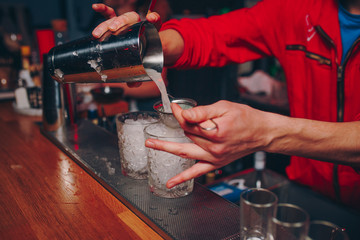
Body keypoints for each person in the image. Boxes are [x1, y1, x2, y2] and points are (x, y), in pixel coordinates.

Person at [91, 0, 360, 210]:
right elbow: (214, 34)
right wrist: (147, 43)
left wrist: (267, 132)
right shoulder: (298, 8)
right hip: (306, 194)